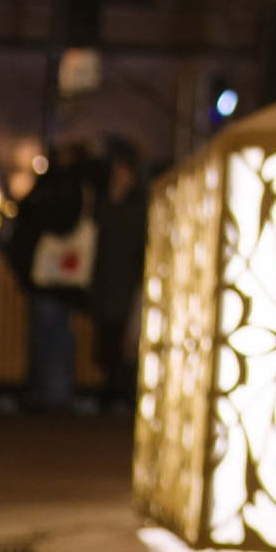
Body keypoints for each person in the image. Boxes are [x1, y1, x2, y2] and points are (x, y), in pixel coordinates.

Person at [0, 141, 109, 415]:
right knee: (47, 334)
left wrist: (38, 207)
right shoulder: (65, 184)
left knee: (53, 334)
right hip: (51, 277)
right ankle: (48, 393)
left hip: (55, 277)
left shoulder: (70, 186)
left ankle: (56, 396)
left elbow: (55, 221)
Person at [90, 141, 152, 411]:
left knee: (128, 333)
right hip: (107, 278)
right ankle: (110, 387)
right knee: (108, 333)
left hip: (128, 278)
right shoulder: (105, 203)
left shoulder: (140, 206)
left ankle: (123, 388)